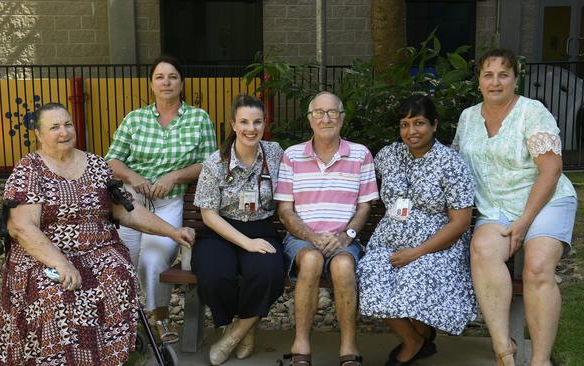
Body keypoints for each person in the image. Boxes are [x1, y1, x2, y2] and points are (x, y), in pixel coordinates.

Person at [0, 103, 195, 365]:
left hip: (98, 250)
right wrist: (61, 262)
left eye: (67, 124)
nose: (64, 132)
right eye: (54, 127)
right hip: (43, 257)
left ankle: (109, 356)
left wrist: (172, 231)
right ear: (39, 135)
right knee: (58, 294)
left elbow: (126, 212)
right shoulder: (29, 170)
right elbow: (21, 227)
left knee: (118, 276)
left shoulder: (97, 165)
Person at [453, 49, 578, 366]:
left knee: (536, 267)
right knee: (482, 249)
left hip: (544, 199)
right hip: (495, 205)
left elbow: (551, 170)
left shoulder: (532, 111)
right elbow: (455, 168)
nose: (495, 82)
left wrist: (525, 221)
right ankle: (504, 352)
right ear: (479, 80)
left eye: (503, 74)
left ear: (515, 79)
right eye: (488, 75)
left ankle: (539, 359)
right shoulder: (468, 117)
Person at [358, 95, 478, 366]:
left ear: (434, 125)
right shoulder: (388, 155)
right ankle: (414, 338)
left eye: (419, 123)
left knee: (414, 277)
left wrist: (415, 252)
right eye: (404, 124)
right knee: (369, 274)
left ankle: (419, 335)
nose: (411, 131)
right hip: (388, 242)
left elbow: (460, 223)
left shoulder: (451, 163)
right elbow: (356, 173)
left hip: (436, 245)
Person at [105, 55, 216, 342]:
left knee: (153, 259)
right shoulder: (135, 118)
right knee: (123, 260)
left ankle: (160, 318)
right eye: (160, 77)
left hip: (170, 203)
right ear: (151, 83)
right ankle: (124, 323)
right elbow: (113, 160)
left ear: (182, 82)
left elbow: (209, 164)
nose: (166, 82)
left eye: (172, 77)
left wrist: (174, 176)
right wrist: (133, 177)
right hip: (131, 202)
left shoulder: (198, 118)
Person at [274, 92, 379, 366]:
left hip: (344, 239)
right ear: (310, 119)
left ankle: (348, 346)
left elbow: (365, 207)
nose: (326, 118)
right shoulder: (292, 156)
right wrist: (311, 236)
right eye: (318, 112)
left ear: (342, 118)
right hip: (302, 238)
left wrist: (347, 236)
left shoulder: (360, 155)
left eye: (333, 112)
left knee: (343, 266)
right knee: (311, 259)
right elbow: (285, 210)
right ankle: (301, 344)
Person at [191, 95, 285, 365]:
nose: (251, 128)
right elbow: (208, 215)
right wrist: (246, 243)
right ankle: (245, 325)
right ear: (233, 124)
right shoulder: (215, 163)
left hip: (262, 227)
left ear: (265, 123)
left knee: (268, 272)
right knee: (213, 274)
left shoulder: (275, 153)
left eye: (257, 122)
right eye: (243, 122)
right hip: (220, 229)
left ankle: (236, 333)